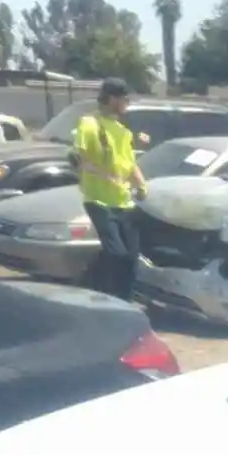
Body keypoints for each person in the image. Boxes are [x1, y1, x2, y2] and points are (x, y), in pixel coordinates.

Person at [75, 78, 146, 300]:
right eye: (124, 98)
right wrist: (105, 176)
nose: (127, 103)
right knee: (116, 253)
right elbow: (79, 159)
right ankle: (96, 290)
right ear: (112, 98)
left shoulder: (123, 132)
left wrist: (141, 185)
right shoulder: (89, 124)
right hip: (99, 200)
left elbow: (130, 164)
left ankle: (126, 301)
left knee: (131, 257)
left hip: (124, 202)